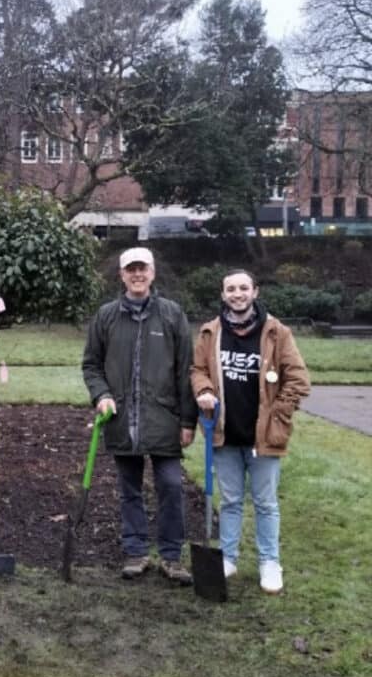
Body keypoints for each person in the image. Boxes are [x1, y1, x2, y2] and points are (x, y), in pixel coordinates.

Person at [82, 247, 197, 584]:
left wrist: (188, 421)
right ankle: (136, 552)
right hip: (121, 421)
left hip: (164, 418)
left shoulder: (173, 315)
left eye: (142, 269)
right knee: (129, 489)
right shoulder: (105, 316)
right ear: (122, 275)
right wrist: (101, 395)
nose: (137, 275)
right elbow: (91, 365)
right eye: (130, 270)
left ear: (153, 272)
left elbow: (185, 371)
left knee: (171, 486)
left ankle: (172, 556)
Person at [191, 269, 310, 594]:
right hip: (224, 435)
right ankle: (228, 557)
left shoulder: (276, 332)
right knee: (229, 501)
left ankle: (269, 562)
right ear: (223, 294)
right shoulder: (210, 332)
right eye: (231, 288)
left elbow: (299, 379)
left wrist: (278, 414)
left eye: (244, 287)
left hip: (263, 438)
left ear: (255, 292)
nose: (237, 294)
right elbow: (198, 369)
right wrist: (203, 389)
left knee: (265, 502)